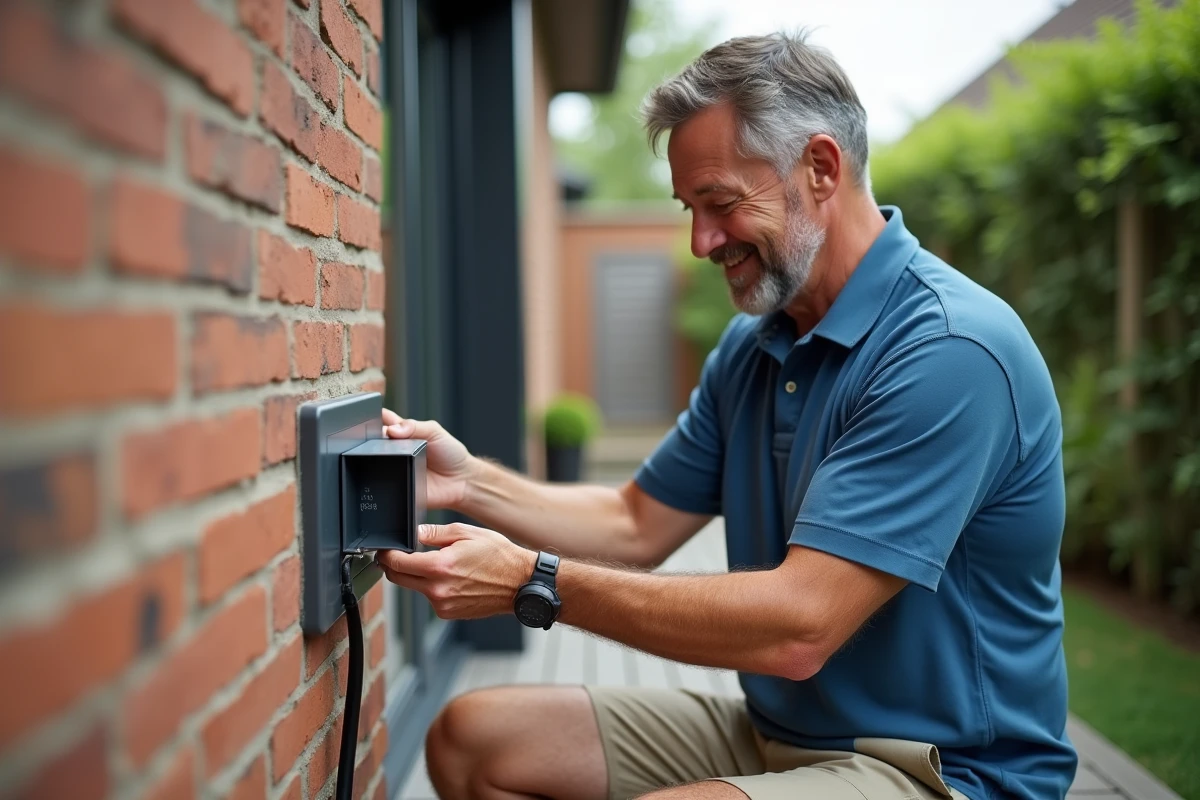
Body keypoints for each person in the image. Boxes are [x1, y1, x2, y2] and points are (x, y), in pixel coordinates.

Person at [375, 31, 1077, 800]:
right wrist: (471, 484)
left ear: (820, 168)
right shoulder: (756, 349)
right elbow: (634, 521)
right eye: (689, 207)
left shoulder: (949, 350)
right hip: (776, 734)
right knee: (474, 741)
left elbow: (798, 627)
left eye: (720, 204)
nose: (700, 240)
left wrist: (529, 582)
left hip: (945, 769)